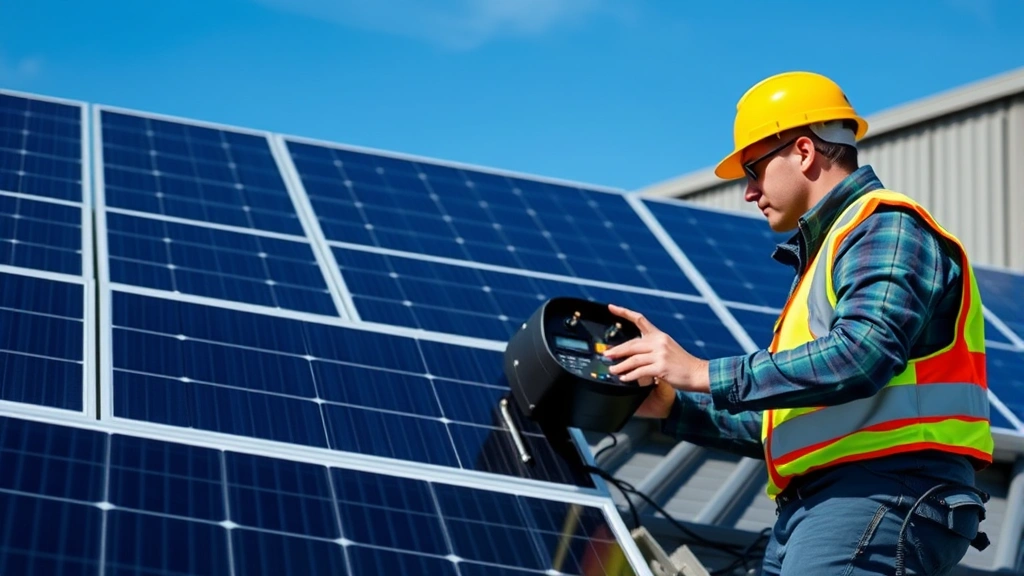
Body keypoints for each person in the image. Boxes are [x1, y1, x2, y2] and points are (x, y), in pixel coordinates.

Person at [601, 71, 994, 576]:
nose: (748, 191)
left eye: (754, 169)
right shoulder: (828, 255)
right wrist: (676, 406)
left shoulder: (885, 223)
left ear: (804, 151)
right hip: (828, 504)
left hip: (882, 491)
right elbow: (791, 424)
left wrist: (703, 373)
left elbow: (862, 354)